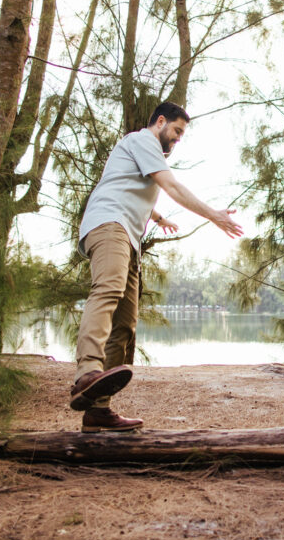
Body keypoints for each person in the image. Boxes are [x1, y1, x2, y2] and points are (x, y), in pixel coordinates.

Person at [70, 101, 243, 432]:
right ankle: (85, 372)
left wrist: (158, 217)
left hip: (127, 236)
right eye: (176, 131)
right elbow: (172, 186)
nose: (177, 140)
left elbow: (126, 186)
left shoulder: (142, 154)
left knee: (124, 326)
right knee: (108, 288)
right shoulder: (142, 140)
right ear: (160, 121)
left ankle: (98, 412)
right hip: (110, 226)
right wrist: (214, 216)